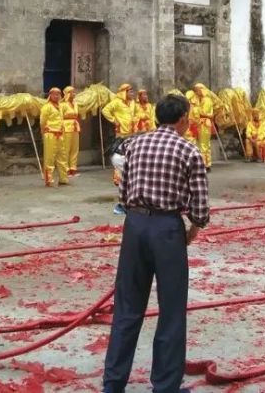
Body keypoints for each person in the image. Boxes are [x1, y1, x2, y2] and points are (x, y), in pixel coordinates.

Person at [103, 93, 209, 393]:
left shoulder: (134, 145)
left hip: (135, 226)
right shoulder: (188, 149)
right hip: (166, 229)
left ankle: (113, 385)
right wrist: (194, 228)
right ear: (182, 119)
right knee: (172, 309)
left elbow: (123, 191)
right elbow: (200, 206)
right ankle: (164, 386)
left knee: (127, 307)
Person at [39, 87, 68, 187]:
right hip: (50, 134)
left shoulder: (60, 106)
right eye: (54, 94)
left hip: (60, 134)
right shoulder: (46, 107)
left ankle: (63, 179)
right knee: (49, 158)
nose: (57, 96)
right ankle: (49, 180)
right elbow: (42, 121)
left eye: (58, 94)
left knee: (62, 157)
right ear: (50, 95)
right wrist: (44, 131)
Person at [186, 83, 215, 170]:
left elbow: (204, 113)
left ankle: (205, 164)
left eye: (198, 90)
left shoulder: (207, 100)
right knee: (197, 144)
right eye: (195, 90)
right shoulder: (195, 99)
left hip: (204, 124)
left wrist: (196, 110)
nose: (196, 92)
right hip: (196, 124)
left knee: (204, 144)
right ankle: (200, 163)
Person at [60, 86, 81, 178]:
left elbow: (76, 114)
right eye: (72, 92)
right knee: (66, 148)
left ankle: (73, 168)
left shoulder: (75, 103)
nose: (74, 94)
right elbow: (60, 117)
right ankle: (66, 169)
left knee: (74, 148)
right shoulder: (62, 105)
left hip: (75, 126)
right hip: (66, 127)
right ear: (67, 94)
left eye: (74, 92)